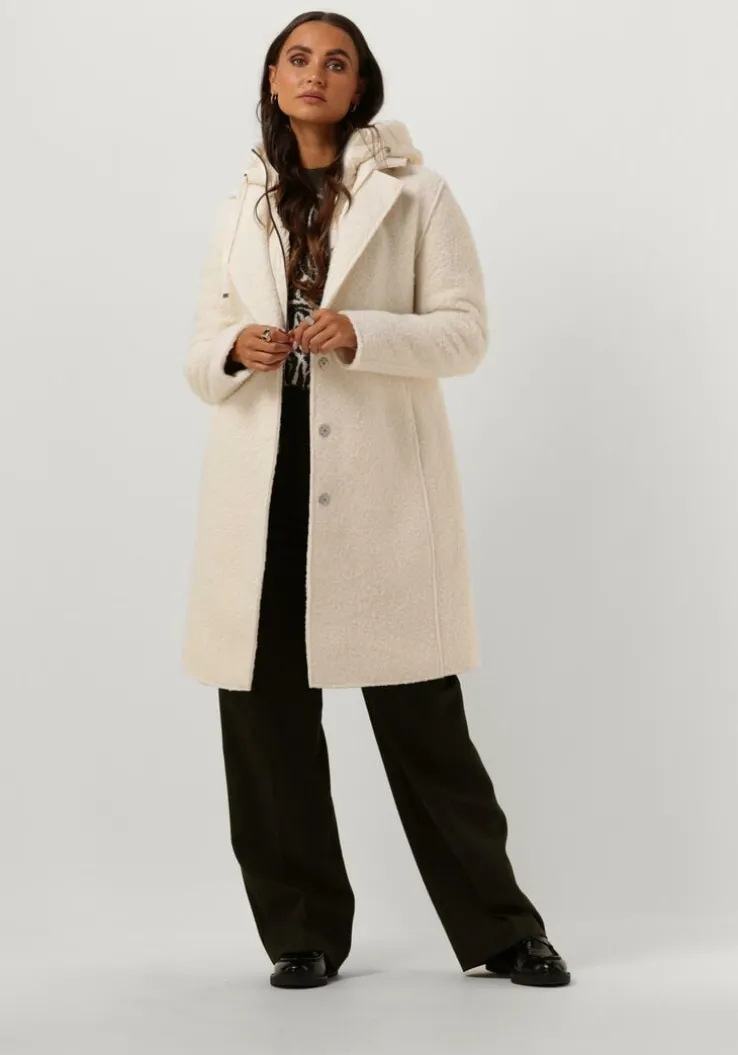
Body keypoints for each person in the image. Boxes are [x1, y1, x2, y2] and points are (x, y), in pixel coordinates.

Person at [182, 11, 571, 991]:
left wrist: (365, 333)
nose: (315, 73)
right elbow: (199, 346)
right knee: (266, 728)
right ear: (274, 80)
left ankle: (504, 927)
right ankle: (301, 933)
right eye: (297, 58)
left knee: (423, 722)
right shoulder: (242, 205)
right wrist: (233, 350)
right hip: (261, 493)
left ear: (361, 86)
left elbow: (465, 332)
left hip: (378, 494)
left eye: (336, 61)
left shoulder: (415, 194)